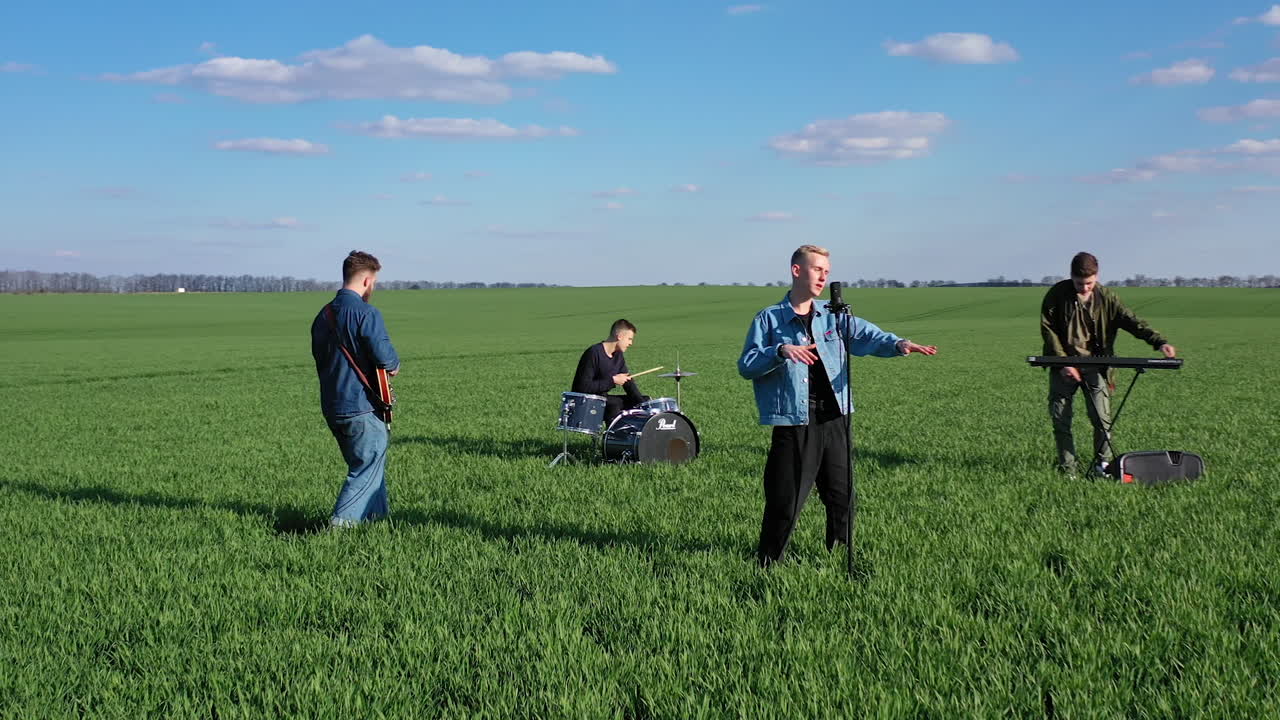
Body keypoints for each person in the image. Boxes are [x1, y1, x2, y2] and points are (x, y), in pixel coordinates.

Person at [738, 245, 937, 567]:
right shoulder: (770, 319)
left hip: (836, 418)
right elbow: (746, 365)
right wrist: (780, 350)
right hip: (796, 420)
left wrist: (899, 344)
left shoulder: (834, 316)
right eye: (818, 269)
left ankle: (838, 556)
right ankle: (768, 563)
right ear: (797, 270)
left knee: (842, 496)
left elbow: (868, 336)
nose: (824, 277)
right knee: (786, 500)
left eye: (827, 272)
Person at [1040, 251, 1177, 476]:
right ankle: (1068, 469)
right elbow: (1048, 330)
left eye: (1089, 283)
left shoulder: (1106, 298)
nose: (1084, 288)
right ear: (1071, 277)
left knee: (1102, 420)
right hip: (1063, 366)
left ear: (1097, 277)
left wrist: (1159, 342)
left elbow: (1131, 321)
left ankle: (1101, 465)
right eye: (1079, 283)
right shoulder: (1056, 295)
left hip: (1097, 366)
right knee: (1061, 419)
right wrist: (1063, 361)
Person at [310, 250, 401, 528]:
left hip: (333, 407)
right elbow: (388, 361)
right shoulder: (365, 312)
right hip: (361, 405)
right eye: (374, 282)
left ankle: (378, 523)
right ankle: (339, 529)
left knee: (372, 467)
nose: (374, 288)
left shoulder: (322, 316)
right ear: (366, 281)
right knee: (365, 470)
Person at [571, 319, 648, 425]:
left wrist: (643, 404)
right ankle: (612, 440)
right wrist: (613, 381)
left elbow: (628, 382)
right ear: (619, 336)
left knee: (644, 400)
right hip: (587, 401)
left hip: (603, 400)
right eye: (629, 339)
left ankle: (635, 438)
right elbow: (582, 387)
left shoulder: (618, 355)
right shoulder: (593, 353)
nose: (631, 343)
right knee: (614, 405)